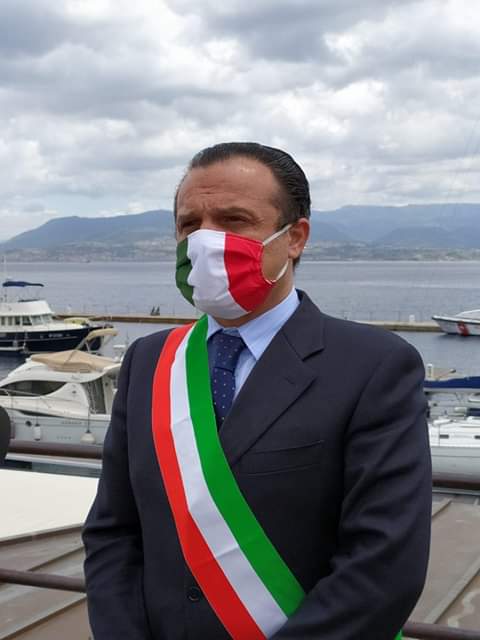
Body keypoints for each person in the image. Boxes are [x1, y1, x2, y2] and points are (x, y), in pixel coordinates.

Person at [82, 142, 431, 640]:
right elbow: (113, 531)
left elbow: (383, 564)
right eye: (189, 224)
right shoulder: (149, 361)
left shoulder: (375, 366)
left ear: (295, 238)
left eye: (234, 220)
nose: (205, 240)